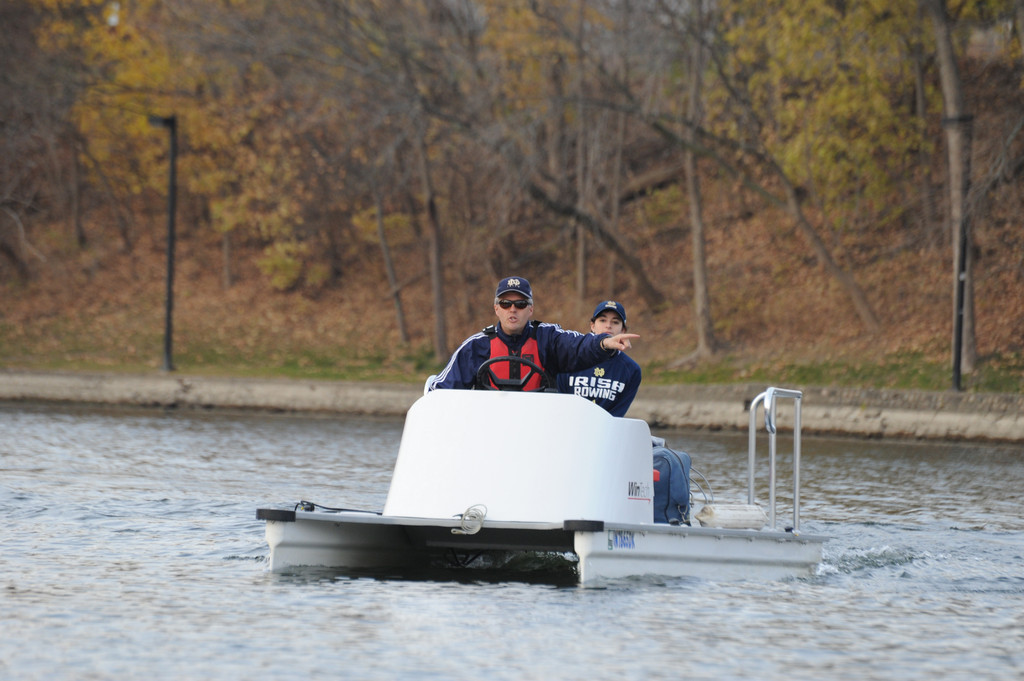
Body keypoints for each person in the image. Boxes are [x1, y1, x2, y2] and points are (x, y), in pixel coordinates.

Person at [427, 276, 638, 391]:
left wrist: (604, 343)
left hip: (539, 434)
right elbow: (441, 391)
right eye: (505, 303)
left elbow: (579, 346)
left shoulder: (548, 338)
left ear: (530, 309)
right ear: (496, 308)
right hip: (488, 432)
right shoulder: (475, 346)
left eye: (520, 304)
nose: (512, 309)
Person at [557, 300, 642, 417]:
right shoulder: (570, 358)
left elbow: (617, 415)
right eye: (602, 320)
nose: (608, 325)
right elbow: (559, 401)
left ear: (623, 330)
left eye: (615, 322)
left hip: (605, 432)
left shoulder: (631, 370)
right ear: (592, 326)